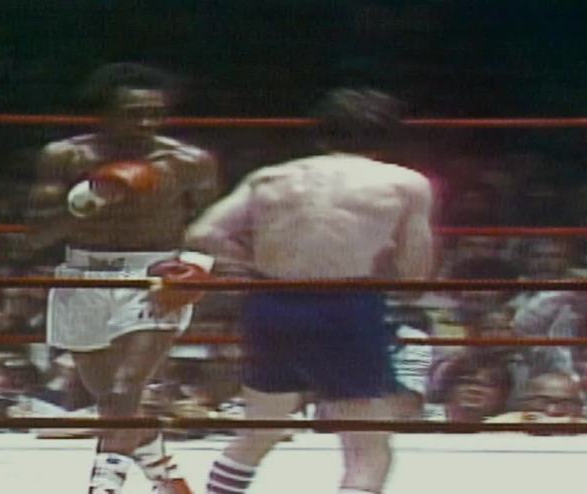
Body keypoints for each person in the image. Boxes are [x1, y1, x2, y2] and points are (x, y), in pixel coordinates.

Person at [185, 88, 434, 494]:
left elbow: (203, 233)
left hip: (270, 302)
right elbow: (415, 275)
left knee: (260, 429)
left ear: (321, 133)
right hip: (345, 306)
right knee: (367, 451)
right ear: (388, 136)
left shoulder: (269, 178)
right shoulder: (405, 184)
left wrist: (253, 262)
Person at [26, 63, 219, 494]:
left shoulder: (188, 162)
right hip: (83, 276)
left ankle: (104, 486)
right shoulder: (66, 157)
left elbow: (211, 226)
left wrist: (194, 266)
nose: (147, 123)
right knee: (113, 403)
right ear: (106, 114)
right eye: (135, 114)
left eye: (155, 114)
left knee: (126, 385)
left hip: (154, 276)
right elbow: (35, 235)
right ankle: (170, 482)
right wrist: (89, 200)